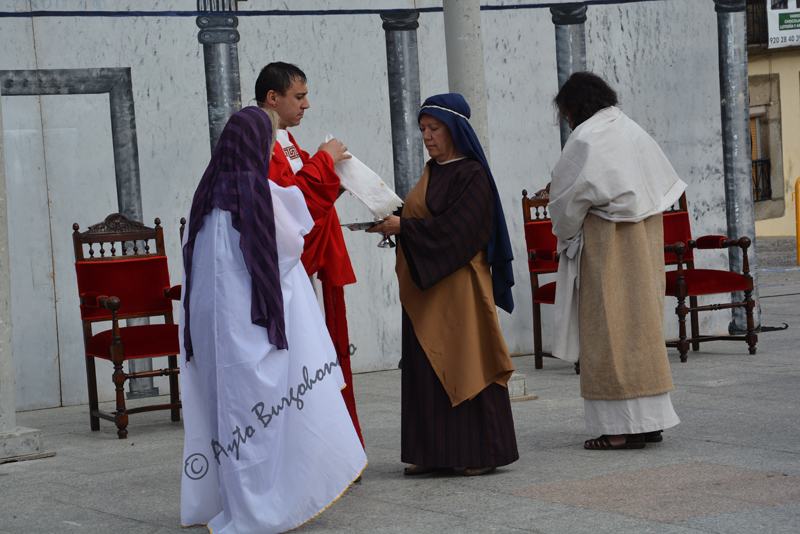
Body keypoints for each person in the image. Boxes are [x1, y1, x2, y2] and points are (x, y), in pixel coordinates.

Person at [179, 106, 367, 533]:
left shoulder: (203, 200)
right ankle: (258, 507)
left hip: (212, 337)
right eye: (267, 143)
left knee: (225, 416)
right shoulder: (256, 194)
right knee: (259, 419)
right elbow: (290, 248)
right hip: (252, 330)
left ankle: (229, 501)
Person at [369, 93, 518, 476]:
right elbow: (423, 217)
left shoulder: (473, 174)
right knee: (425, 368)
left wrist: (406, 227)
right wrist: (393, 222)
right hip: (427, 288)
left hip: (461, 289)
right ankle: (432, 452)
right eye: (422, 129)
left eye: (434, 128)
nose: (427, 136)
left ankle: (481, 454)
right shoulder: (432, 171)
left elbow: (460, 229)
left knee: (468, 362)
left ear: (455, 129)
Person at [548, 72, 686, 450]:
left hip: (608, 244)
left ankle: (618, 431)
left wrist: (565, 231)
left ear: (574, 107)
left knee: (608, 332)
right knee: (642, 329)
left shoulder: (586, 138)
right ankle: (649, 423)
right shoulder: (631, 129)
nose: (567, 120)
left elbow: (565, 203)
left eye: (566, 112)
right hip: (645, 241)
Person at [255, 62, 364, 448]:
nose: (306, 105)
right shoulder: (259, 140)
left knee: (322, 354)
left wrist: (338, 181)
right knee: (303, 360)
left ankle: (335, 444)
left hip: (309, 260)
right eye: (299, 97)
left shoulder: (286, 140)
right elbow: (287, 202)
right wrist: (323, 160)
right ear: (273, 98)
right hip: (286, 270)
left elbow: (308, 197)